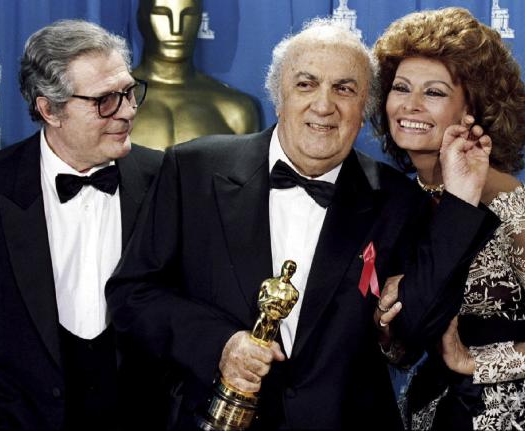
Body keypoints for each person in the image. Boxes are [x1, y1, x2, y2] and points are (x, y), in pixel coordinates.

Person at [106, 18, 499, 430]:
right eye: (306, 84)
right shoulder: (192, 170)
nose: (324, 105)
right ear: (279, 97)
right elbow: (133, 295)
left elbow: (413, 335)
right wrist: (220, 345)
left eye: (344, 89)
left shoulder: (397, 201)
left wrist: (459, 200)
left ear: (365, 108)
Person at [372, 7, 525, 430]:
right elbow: (407, 345)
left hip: (517, 415)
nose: (410, 105)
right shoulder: (407, 198)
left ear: (472, 109)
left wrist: (473, 360)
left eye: (435, 92)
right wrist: (389, 334)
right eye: (401, 87)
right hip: (434, 407)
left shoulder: (509, 211)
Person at [0, 20, 166, 430]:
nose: (127, 111)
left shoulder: (166, 182)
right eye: (104, 100)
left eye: (128, 92)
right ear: (49, 109)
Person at [131, 0, 260, 150]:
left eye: (188, 14)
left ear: (200, 19)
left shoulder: (237, 110)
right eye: (162, 13)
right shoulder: (113, 102)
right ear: (141, 18)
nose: (176, 29)